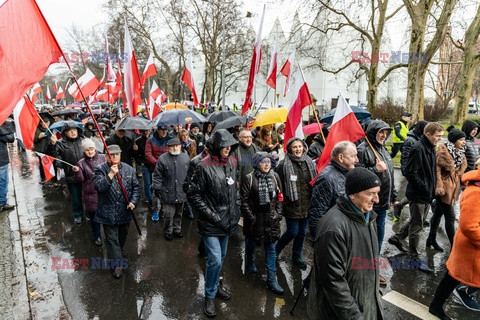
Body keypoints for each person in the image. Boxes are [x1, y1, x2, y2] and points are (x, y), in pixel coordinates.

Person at [307, 167, 383, 320]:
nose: (377, 199)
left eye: (377, 193)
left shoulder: (368, 216)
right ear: (353, 194)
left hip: (365, 304)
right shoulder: (334, 228)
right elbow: (333, 282)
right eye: (370, 194)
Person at [187, 129, 239, 318]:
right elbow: (193, 194)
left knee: (221, 257)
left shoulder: (233, 162)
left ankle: (216, 287)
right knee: (215, 259)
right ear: (216, 146)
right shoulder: (203, 166)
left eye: (229, 145)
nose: (227, 149)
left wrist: (237, 207)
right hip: (211, 222)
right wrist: (211, 215)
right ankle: (209, 295)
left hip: (228, 220)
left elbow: (235, 188)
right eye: (224, 146)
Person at [388, 122, 444, 272]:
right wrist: (425, 188)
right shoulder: (418, 148)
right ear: (428, 134)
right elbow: (410, 172)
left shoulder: (430, 147)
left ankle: (397, 238)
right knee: (417, 227)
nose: (440, 138)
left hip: (426, 194)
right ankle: (415, 257)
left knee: (416, 222)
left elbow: (430, 172)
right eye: (438, 136)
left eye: (441, 136)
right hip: (419, 194)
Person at [429, 165, 480, 319]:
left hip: (472, 247)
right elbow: (469, 226)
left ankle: (459, 295)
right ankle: (436, 306)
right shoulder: (476, 192)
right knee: (454, 276)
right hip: (472, 247)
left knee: (454, 276)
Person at [93, 144, 140, 279]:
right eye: (111, 155)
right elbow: (99, 186)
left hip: (124, 211)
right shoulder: (100, 170)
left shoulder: (129, 169)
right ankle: (117, 265)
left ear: (120, 154)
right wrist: (111, 174)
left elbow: (136, 188)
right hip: (107, 211)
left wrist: (133, 202)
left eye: (116, 154)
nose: (114, 157)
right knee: (112, 239)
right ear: (106, 156)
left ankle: (117, 252)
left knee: (121, 237)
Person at [241, 152, 284, 295]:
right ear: (257, 164)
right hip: (255, 221)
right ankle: (250, 260)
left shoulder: (275, 176)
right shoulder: (249, 178)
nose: (266, 165)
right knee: (252, 243)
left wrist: (278, 213)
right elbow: (244, 201)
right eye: (262, 162)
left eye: (268, 162)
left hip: (271, 220)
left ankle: (272, 280)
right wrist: (252, 217)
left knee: (271, 249)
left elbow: (280, 197)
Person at [357, 120, 396, 258]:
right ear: (374, 133)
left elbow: (389, 174)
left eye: (386, 133)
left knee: (379, 235)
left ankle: (374, 264)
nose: (384, 136)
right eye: (381, 132)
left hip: (383, 200)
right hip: (370, 202)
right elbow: (358, 175)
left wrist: (393, 195)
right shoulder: (362, 150)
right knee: (368, 236)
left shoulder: (383, 149)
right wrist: (375, 169)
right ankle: (365, 265)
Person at [275, 137, 316, 270]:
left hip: (306, 204)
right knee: (293, 231)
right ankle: (276, 250)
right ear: (290, 149)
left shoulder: (309, 162)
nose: (298, 149)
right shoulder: (283, 165)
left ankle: (296, 256)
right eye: (295, 147)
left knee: (302, 233)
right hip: (291, 204)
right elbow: (278, 185)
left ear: (304, 147)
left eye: (300, 146)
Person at [308, 141, 358, 241]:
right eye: (353, 156)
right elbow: (317, 212)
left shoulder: (348, 172)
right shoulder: (327, 178)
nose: (357, 160)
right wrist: (320, 239)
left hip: (343, 231)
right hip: (332, 235)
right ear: (341, 157)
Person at [427, 128, 467, 252]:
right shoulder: (443, 151)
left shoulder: (460, 151)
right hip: (444, 188)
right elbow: (437, 170)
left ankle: (431, 239)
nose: (463, 142)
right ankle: (455, 247)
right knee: (450, 216)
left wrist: (463, 183)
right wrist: (439, 186)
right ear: (454, 140)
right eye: (461, 140)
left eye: (464, 139)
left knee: (438, 213)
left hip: (453, 187)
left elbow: (459, 171)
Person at [152, 138, 190, 240]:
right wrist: (157, 187)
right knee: (169, 214)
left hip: (181, 191)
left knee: (179, 213)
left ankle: (177, 229)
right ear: (168, 148)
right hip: (168, 191)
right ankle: (168, 230)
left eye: (177, 145)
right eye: (172, 146)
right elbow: (157, 175)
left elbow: (189, 174)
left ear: (180, 146)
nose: (175, 148)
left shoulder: (185, 158)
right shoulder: (162, 159)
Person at [47, 122, 85, 224]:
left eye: (74, 130)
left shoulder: (84, 141)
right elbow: (53, 155)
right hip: (71, 175)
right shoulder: (60, 143)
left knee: (88, 195)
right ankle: (77, 215)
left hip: (86, 174)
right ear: (65, 133)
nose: (73, 132)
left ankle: (90, 213)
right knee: (76, 197)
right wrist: (52, 144)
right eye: (70, 130)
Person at [393, 120, 429, 220]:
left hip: (419, 170)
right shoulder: (410, 140)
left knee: (417, 192)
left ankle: (401, 206)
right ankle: (403, 208)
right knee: (415, 193)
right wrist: (406, 172)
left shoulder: (420, 138)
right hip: (413, 171)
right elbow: (405, 157)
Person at [73, 138, 106, 246]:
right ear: (84, 151)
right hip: (90, 193)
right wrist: (77, 172)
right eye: (87, 150)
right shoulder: (81, 163)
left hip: (104, 190)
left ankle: (109, 236)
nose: (90, 152)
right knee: (94, 217)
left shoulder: (103, 157)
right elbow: (80, 180)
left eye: (92, 149)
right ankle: (97, 236)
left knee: (106, 215)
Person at [145, 125, 172, 221]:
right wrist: (159, 164)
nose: (164, 132)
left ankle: (164, 209)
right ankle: (156, 210)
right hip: (155, 169)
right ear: (158, 130)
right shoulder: (151, 140)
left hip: (168, 169)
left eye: (166, 129)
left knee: (167, 189)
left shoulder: (171, 139)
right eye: (162, 130)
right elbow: (148, 154)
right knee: (156, 190)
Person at [0, 120, 15, 212]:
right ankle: (2, 203)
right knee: (3, 181)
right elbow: (11, 138)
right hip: (1, 160)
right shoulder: (2, 125)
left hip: (2, 159)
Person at [134, 129, 152, 206]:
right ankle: (150, 200)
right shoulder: (138, 141)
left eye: (147, 131)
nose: (146, 133)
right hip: (144, 164)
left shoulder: (152, 139)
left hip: (152, 163)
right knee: (147, 183)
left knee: (153, 182)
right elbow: (136, 154)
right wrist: (140, 162)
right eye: (144, 131)